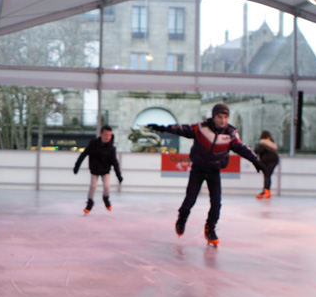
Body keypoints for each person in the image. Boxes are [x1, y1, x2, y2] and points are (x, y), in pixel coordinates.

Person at [148, 102, 262, 246]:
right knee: (190, 199)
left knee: (216, 203)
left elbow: (242, 148)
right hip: (198, 169)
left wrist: (255, 161)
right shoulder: (201, 128)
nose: (223, 120)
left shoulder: (231, 134)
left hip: (214, 170)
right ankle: (182, 217)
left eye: (226, 117)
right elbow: (181, 129)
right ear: (214, 117)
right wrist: (162, 128)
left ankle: (210, 228)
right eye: (220, 117)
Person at [73, 125, 123, 214]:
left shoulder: (111, 148)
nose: (107, 137)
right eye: (105, 134)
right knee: (93, 186)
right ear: (101, 134)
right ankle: (90, 202)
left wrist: (118, 175)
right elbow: (84, 154)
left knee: (107, 186)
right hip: (95, 169)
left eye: (109, 135)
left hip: (105, 170)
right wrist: (77, 166)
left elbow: (115, 162)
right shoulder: (93, 144)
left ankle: (106, 198)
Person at [254, 130, 279, 199]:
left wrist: (250, 152)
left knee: (267, 175)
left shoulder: (263, 143)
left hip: (269, 161)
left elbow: (259, 151)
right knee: (267, 175)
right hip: (274, 161)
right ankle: (266, 191)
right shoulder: (271, 143)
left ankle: (266, 191)